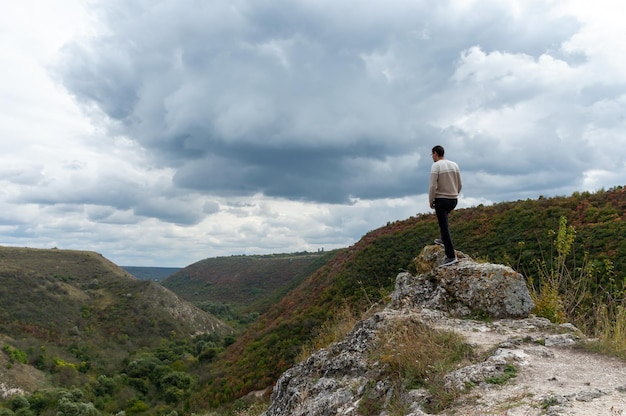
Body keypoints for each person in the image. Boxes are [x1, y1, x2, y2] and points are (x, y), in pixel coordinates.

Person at [429, 145, 462, 266]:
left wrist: (431, 199)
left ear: (435, 153)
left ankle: (451, 256)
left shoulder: (436, 166)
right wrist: (454, 194)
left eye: (432, 154)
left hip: (441, 199)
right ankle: (443, 239)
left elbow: (433, 185)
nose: (432, 157)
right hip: (453, 199)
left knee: (444, 226)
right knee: (444, 222)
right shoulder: (454, 165)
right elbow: (460, 184)